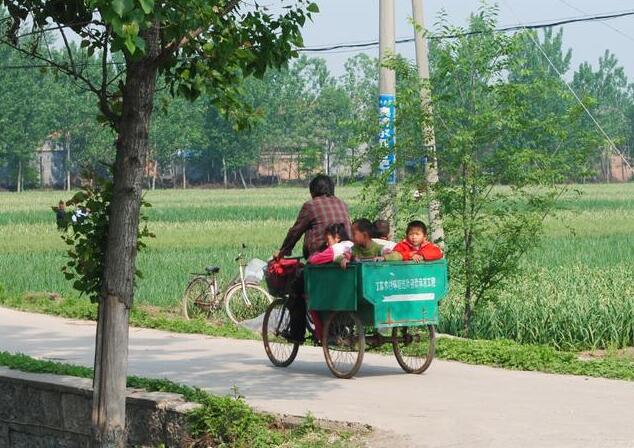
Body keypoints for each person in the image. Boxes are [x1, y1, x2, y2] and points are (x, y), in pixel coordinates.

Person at [276, 174, 351, 343]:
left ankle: (296, 334)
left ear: (312, 191)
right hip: (344, 255)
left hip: (321, 260)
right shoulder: (342, 204)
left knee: (296, 288)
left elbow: (296, 231)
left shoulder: (310, 206)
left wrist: (283, 251)